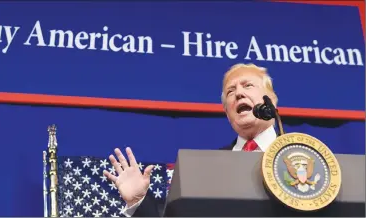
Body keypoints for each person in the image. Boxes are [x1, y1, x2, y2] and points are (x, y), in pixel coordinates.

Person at [103, 63, 279, 217]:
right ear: (228, 113)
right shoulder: (209, 168)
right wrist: (139, 201)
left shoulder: (302, 154)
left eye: (248, 85)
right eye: (230, 91)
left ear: (270, 101)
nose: (238, 93)